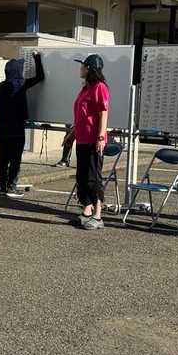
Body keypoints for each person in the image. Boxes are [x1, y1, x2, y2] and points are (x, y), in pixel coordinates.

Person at [0, 53, 45, 197]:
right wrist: (37, 58)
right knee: (15, 159)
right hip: (17, 129)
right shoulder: (21, 84)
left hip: (2, 129)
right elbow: (40, 77)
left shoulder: (1, 86)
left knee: (3, 159)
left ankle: (3, 186)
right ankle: (11, 186)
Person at [71, 54, 110, 230]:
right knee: (82, 177)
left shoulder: (99, 87)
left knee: (93, 178)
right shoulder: (86, 88)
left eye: (83, 66)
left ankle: (98, 215)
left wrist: (100, 137)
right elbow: (82, 114)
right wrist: (72, 133)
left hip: (93, 140)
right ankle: (86, 211)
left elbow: (103, 113)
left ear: (89, 69)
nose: (80, 69)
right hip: (82, 139)